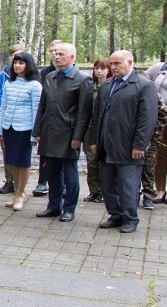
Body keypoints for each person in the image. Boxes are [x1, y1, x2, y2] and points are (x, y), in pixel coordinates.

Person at [89, 50, 159, 233]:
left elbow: (148, 119)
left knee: (128, 185)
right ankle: (115, 214)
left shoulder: (144, 85)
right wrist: (95, 140)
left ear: (130, 62)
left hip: (128, 146)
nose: (113, 68)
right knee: (108, 183)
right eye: (111, 64)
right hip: (106, 144)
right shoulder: (107, 85)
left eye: (117, 64)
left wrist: (139, 144)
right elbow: (97, 115)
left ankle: (130, 218)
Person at [31, 42, 91, 223]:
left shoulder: (82, 79)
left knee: (70, 173)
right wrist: (37, 130)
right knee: (52, 171)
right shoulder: (49, 77)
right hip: (49, 132)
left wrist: (77, 136)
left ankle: (69, 208)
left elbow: (84, 112)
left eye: (61, 54)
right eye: (55, 54)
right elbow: (43, 106)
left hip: (68, 133)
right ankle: (53, 206)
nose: (56, 57)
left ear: (72, 57)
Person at [0, 52, 42, 211]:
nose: (17, 66)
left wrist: (35, 134)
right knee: (12, 161)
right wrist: (0, 128)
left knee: (23, 162)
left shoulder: (35, 85)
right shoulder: (9, 83)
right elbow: (4, 108)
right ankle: (15, 192)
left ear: (28, 65)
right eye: (15, 63)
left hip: (25, 128)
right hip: (9, 128)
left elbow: (37, 111)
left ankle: (21, 193)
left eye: (21, 63)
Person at [33, 39, 64, 197]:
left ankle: (63, 185)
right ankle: (42, 182)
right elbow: (41, 101)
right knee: (44, 154)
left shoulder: (75, 75)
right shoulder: (44, 74)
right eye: (52, 51)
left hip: (65, 124)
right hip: (47, 120)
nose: (54, 55)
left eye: (58, 52)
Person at [0, 42, 25, 194]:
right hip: (6, 118)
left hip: (22, 121)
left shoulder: (30, 78)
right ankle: (9, 181)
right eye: (13, 55)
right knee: (7, 151)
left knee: (21, 153)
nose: (15, 59)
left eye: (19, 55)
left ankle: (20, 185)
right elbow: (0, 97)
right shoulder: (3, 75)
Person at [83, 58, 110, 203]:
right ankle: (94, 191)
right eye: (97, 68)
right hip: (89, 129)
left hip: (105, 129)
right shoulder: (89, 87)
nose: (99, 71)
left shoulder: (112, 86)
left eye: (103, 68)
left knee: (103, 161)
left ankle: (105, 190)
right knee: (91, 160)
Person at [146, 61, 167, 203]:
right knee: (161, 156)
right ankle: (160, 191)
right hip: (163, 118)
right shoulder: (160, 67)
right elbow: (143, 82)